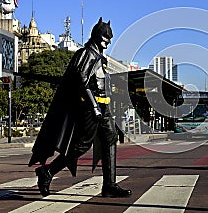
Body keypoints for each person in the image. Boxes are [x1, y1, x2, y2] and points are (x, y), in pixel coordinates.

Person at [28, 17, 131, 198]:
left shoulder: (98, 56)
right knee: (81, 146)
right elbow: (82, 80)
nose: (107, 42)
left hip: (103, 106)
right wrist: (94, 107)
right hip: (91, 107)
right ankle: (47, 172)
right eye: (104, 37)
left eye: (109, 38)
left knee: (110, 139)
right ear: (96, 35)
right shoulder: (87, 53)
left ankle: (109, 185)